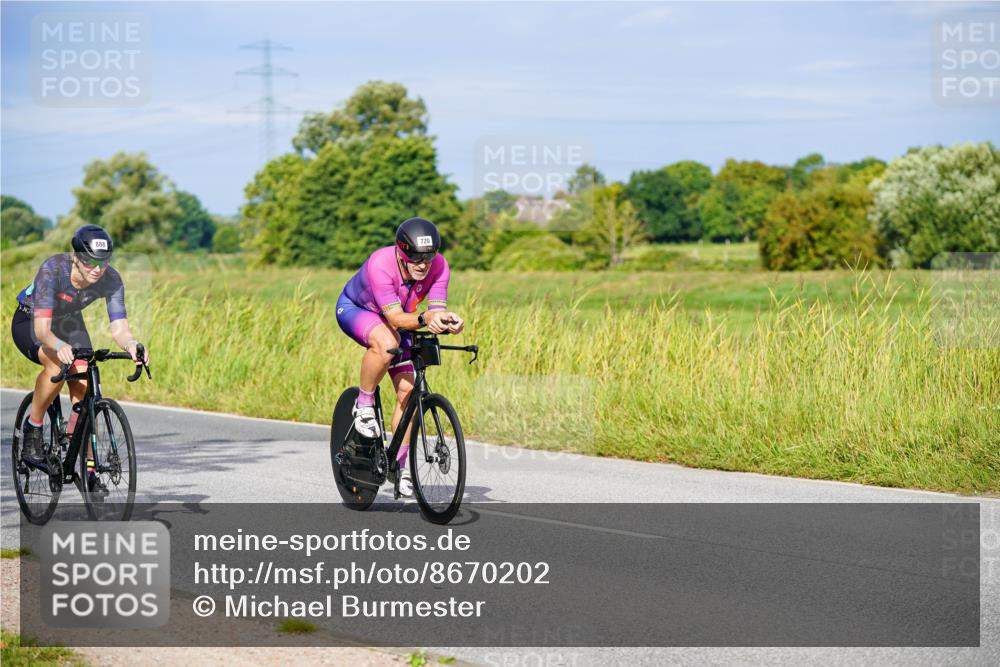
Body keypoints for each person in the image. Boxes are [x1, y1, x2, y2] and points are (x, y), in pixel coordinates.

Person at [10, 224, 148, 491]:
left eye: (103, 262)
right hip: (31, 320)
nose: (97, 269)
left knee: (85, 383)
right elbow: (42, 330)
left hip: (69, 322)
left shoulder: (112, 279)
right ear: (76, 257)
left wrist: (131, 343)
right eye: (89, 261)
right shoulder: (54, 270)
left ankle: (88, 468)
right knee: (57, 362)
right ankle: (33, 427)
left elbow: (119, 327)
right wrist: (58, 345)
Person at [336, 217, 464, 496]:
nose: (423, 265)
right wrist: (424, 317)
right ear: (401, 252)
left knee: (409, 390)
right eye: (415, 258)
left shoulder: (439, 266)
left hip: (400, 320)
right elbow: (394, 318)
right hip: (358, 310)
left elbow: (436, 307)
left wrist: (446, 320)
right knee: (386, 341)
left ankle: (401, 467)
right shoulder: (381, 263)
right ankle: (364, 404)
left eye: (428, 258)